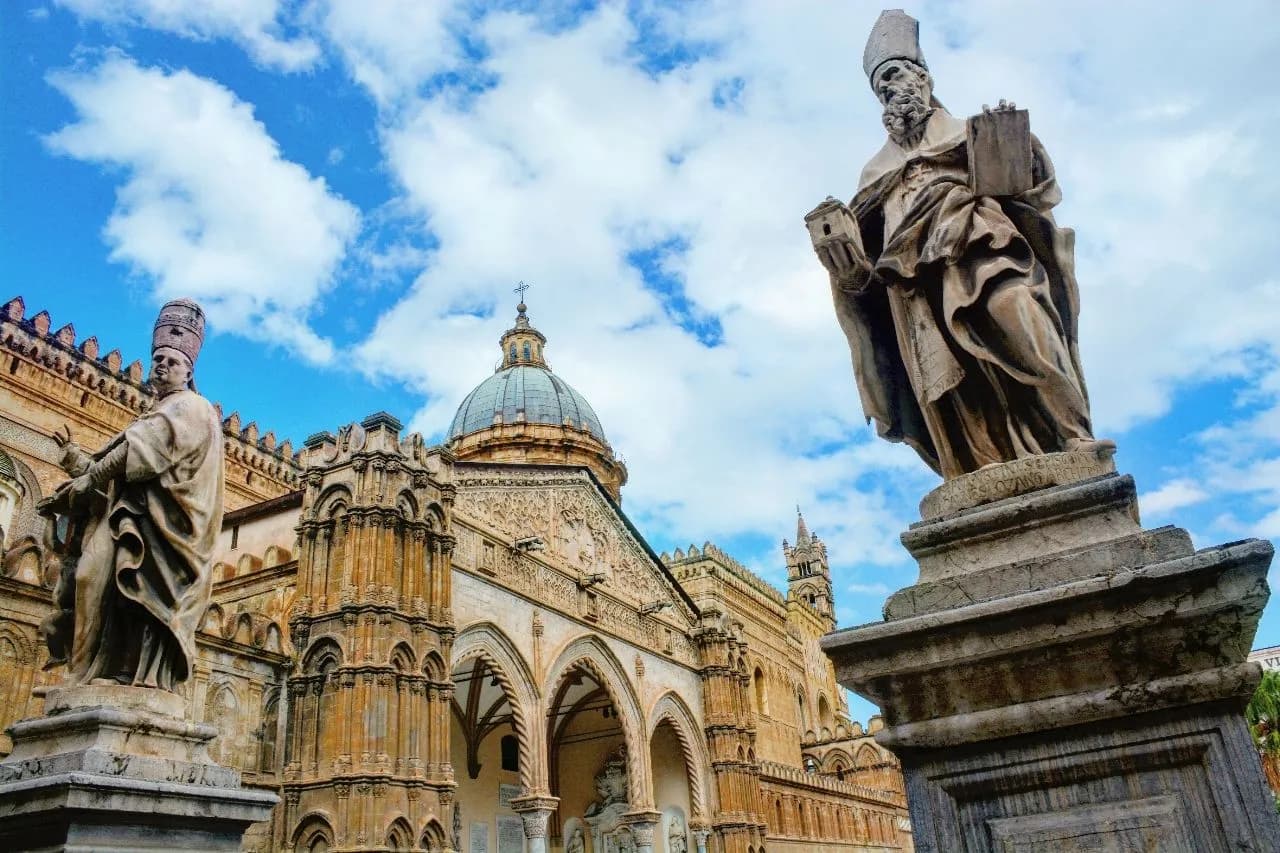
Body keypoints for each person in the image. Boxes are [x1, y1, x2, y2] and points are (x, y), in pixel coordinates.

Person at [813, 10, 1111, 479]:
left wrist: (1013, 145)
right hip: (916, 284)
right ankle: (981, 466)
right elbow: (867, 270)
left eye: (895, 74)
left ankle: (1073, 435)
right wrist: (847, 268)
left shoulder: (965, 133)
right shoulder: (874, 172)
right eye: (880, 85)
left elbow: (1034, 192)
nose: (889, 88)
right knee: (954, 378)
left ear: (923, 79)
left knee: (1022, 321)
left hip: (985, 248)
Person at [40, 299, 222, 691]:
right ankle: (86, 675)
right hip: (131, 519)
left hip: (166, 530)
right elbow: (126, 461)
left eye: (172, 361)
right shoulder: (154, 413)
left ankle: (120, 674)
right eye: (157, 359)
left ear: (189, 371)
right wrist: (76, 461)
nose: (161, 365)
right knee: (94, 584)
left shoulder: (192, 406)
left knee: (126, 592)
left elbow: (141, 451)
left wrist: (92, 475)